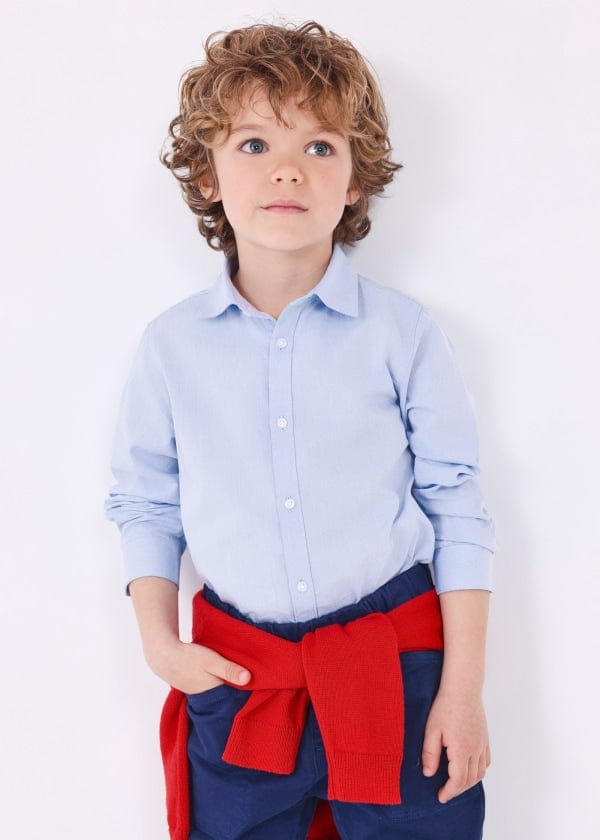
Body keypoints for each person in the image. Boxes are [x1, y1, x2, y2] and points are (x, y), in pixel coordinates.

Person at [104, 19, 498, 840]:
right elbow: (146, 502)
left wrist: (462, 692)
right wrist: (161, 646)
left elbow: (457, 502)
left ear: (355, 180)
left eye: (320, 146)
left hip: (398, 675)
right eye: (253, 144)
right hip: (242, 680)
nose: (287, 168)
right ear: (207, 174)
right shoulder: (171, 347)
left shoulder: (402, 333)